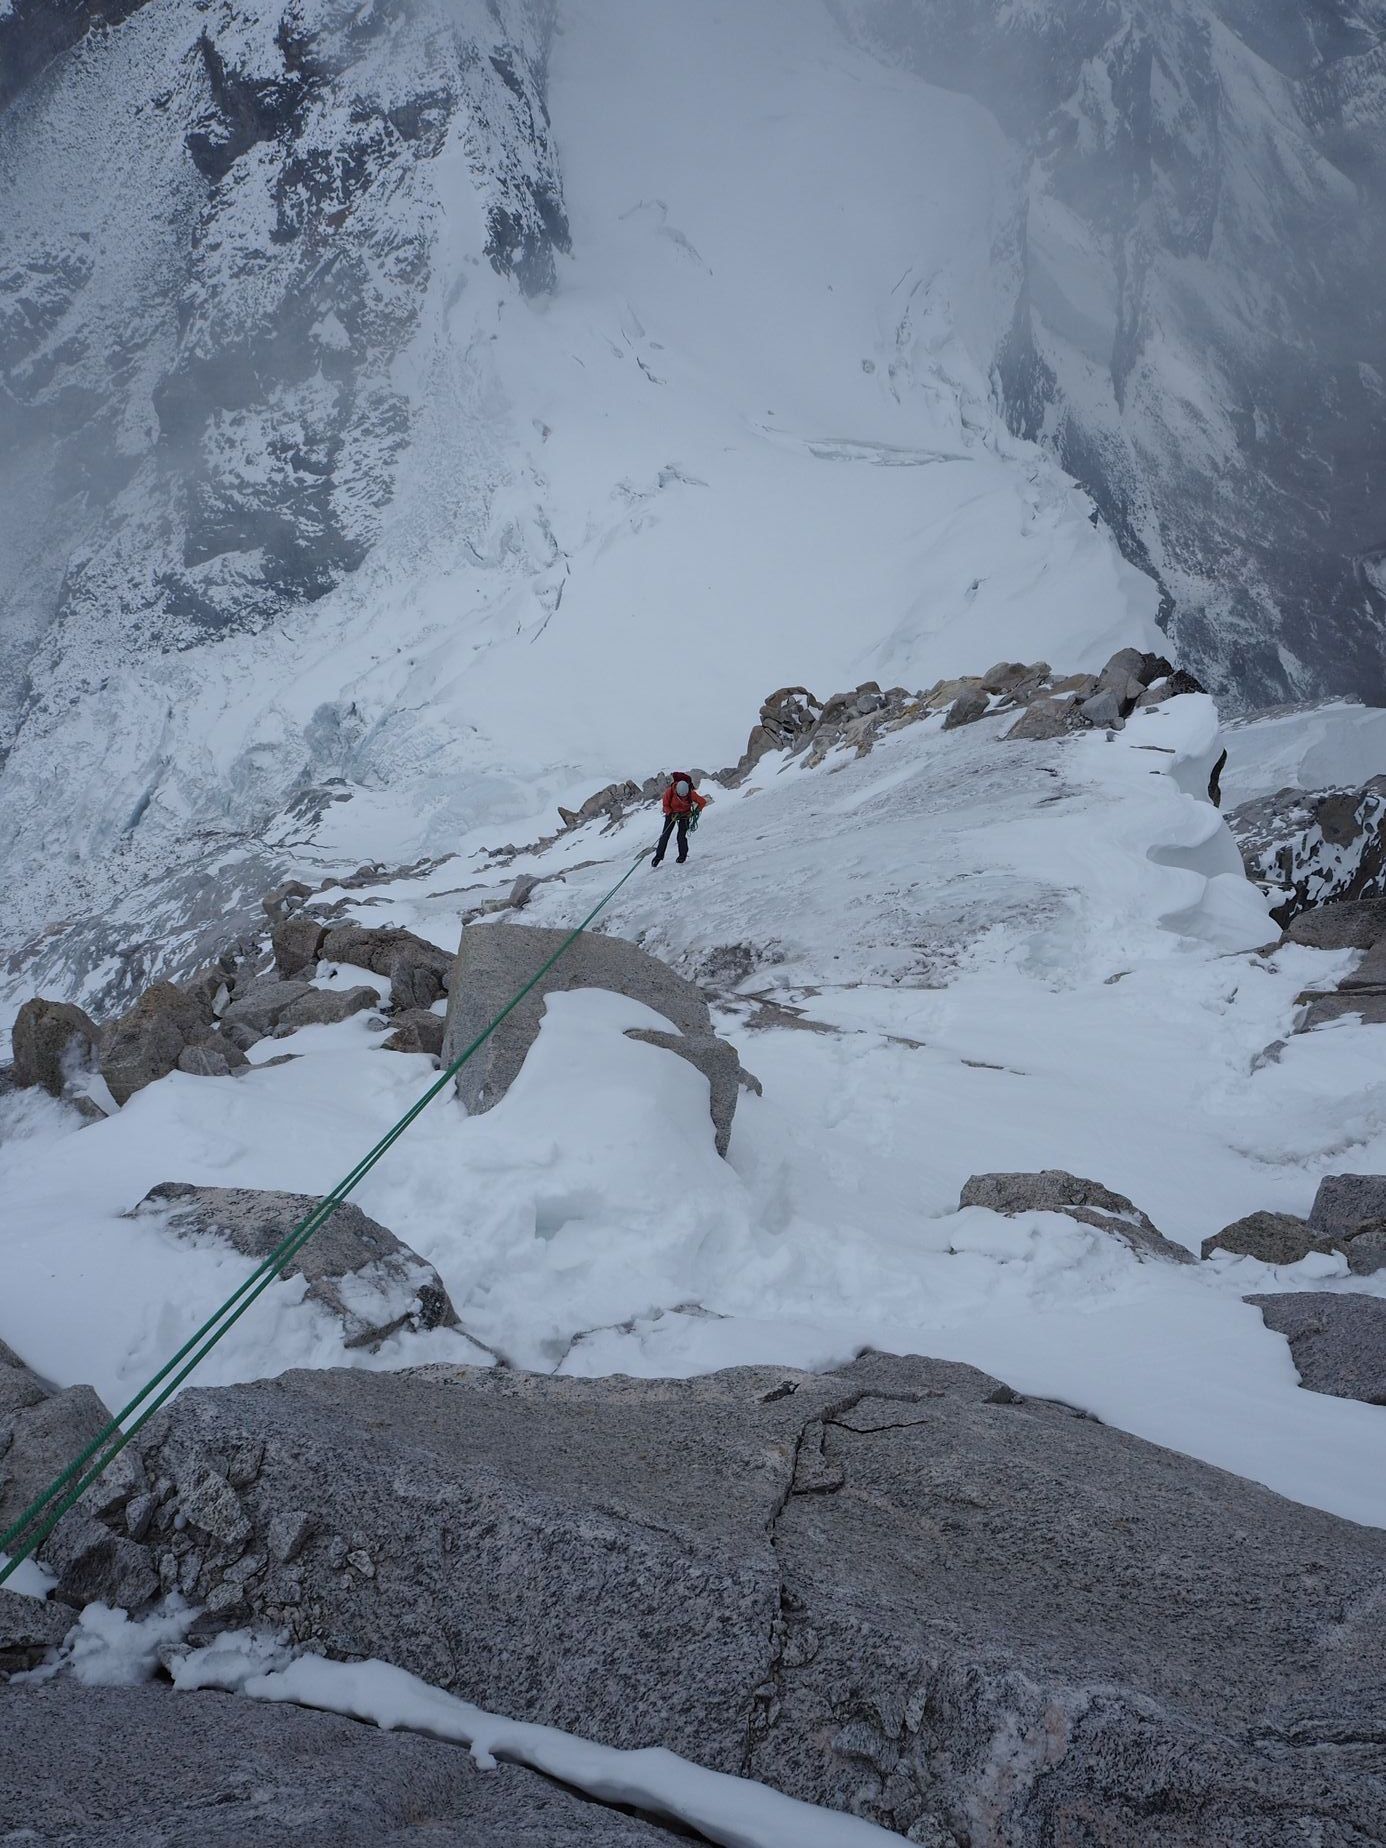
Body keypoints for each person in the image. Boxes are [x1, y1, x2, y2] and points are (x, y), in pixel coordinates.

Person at [651, 771, 708, 867]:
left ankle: (682, 855)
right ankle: (658, 857)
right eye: (681, 796)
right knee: (665, 835)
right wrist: (670, 813)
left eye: (684, 796)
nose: (683, 797)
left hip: (685, 814)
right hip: (672, 814)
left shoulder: (690, 793)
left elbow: (702, 802)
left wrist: (696, 811)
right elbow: (665, 805)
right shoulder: (669, 792)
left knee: (681, 836)